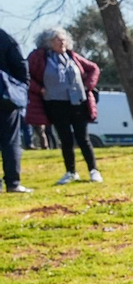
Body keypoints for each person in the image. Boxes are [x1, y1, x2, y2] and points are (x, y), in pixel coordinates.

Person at [28, 28, 102, 185]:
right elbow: (26, 76)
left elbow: (94, 68)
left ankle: (93, 170)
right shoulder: (39, 58)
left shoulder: (72, 56)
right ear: (48, 43)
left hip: (78, 102)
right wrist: (40, 89)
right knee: (65, 139)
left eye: (64, 39)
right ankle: (71, 172)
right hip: (55, 103)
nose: (62, 42)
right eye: (57, 39)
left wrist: (87, 86)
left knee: (83, 138)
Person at [0, 27, 28, 193]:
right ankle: (13, 182)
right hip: (5, 95)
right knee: (10, 141)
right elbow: (20, 65)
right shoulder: (4, 37)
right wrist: (22, 87)